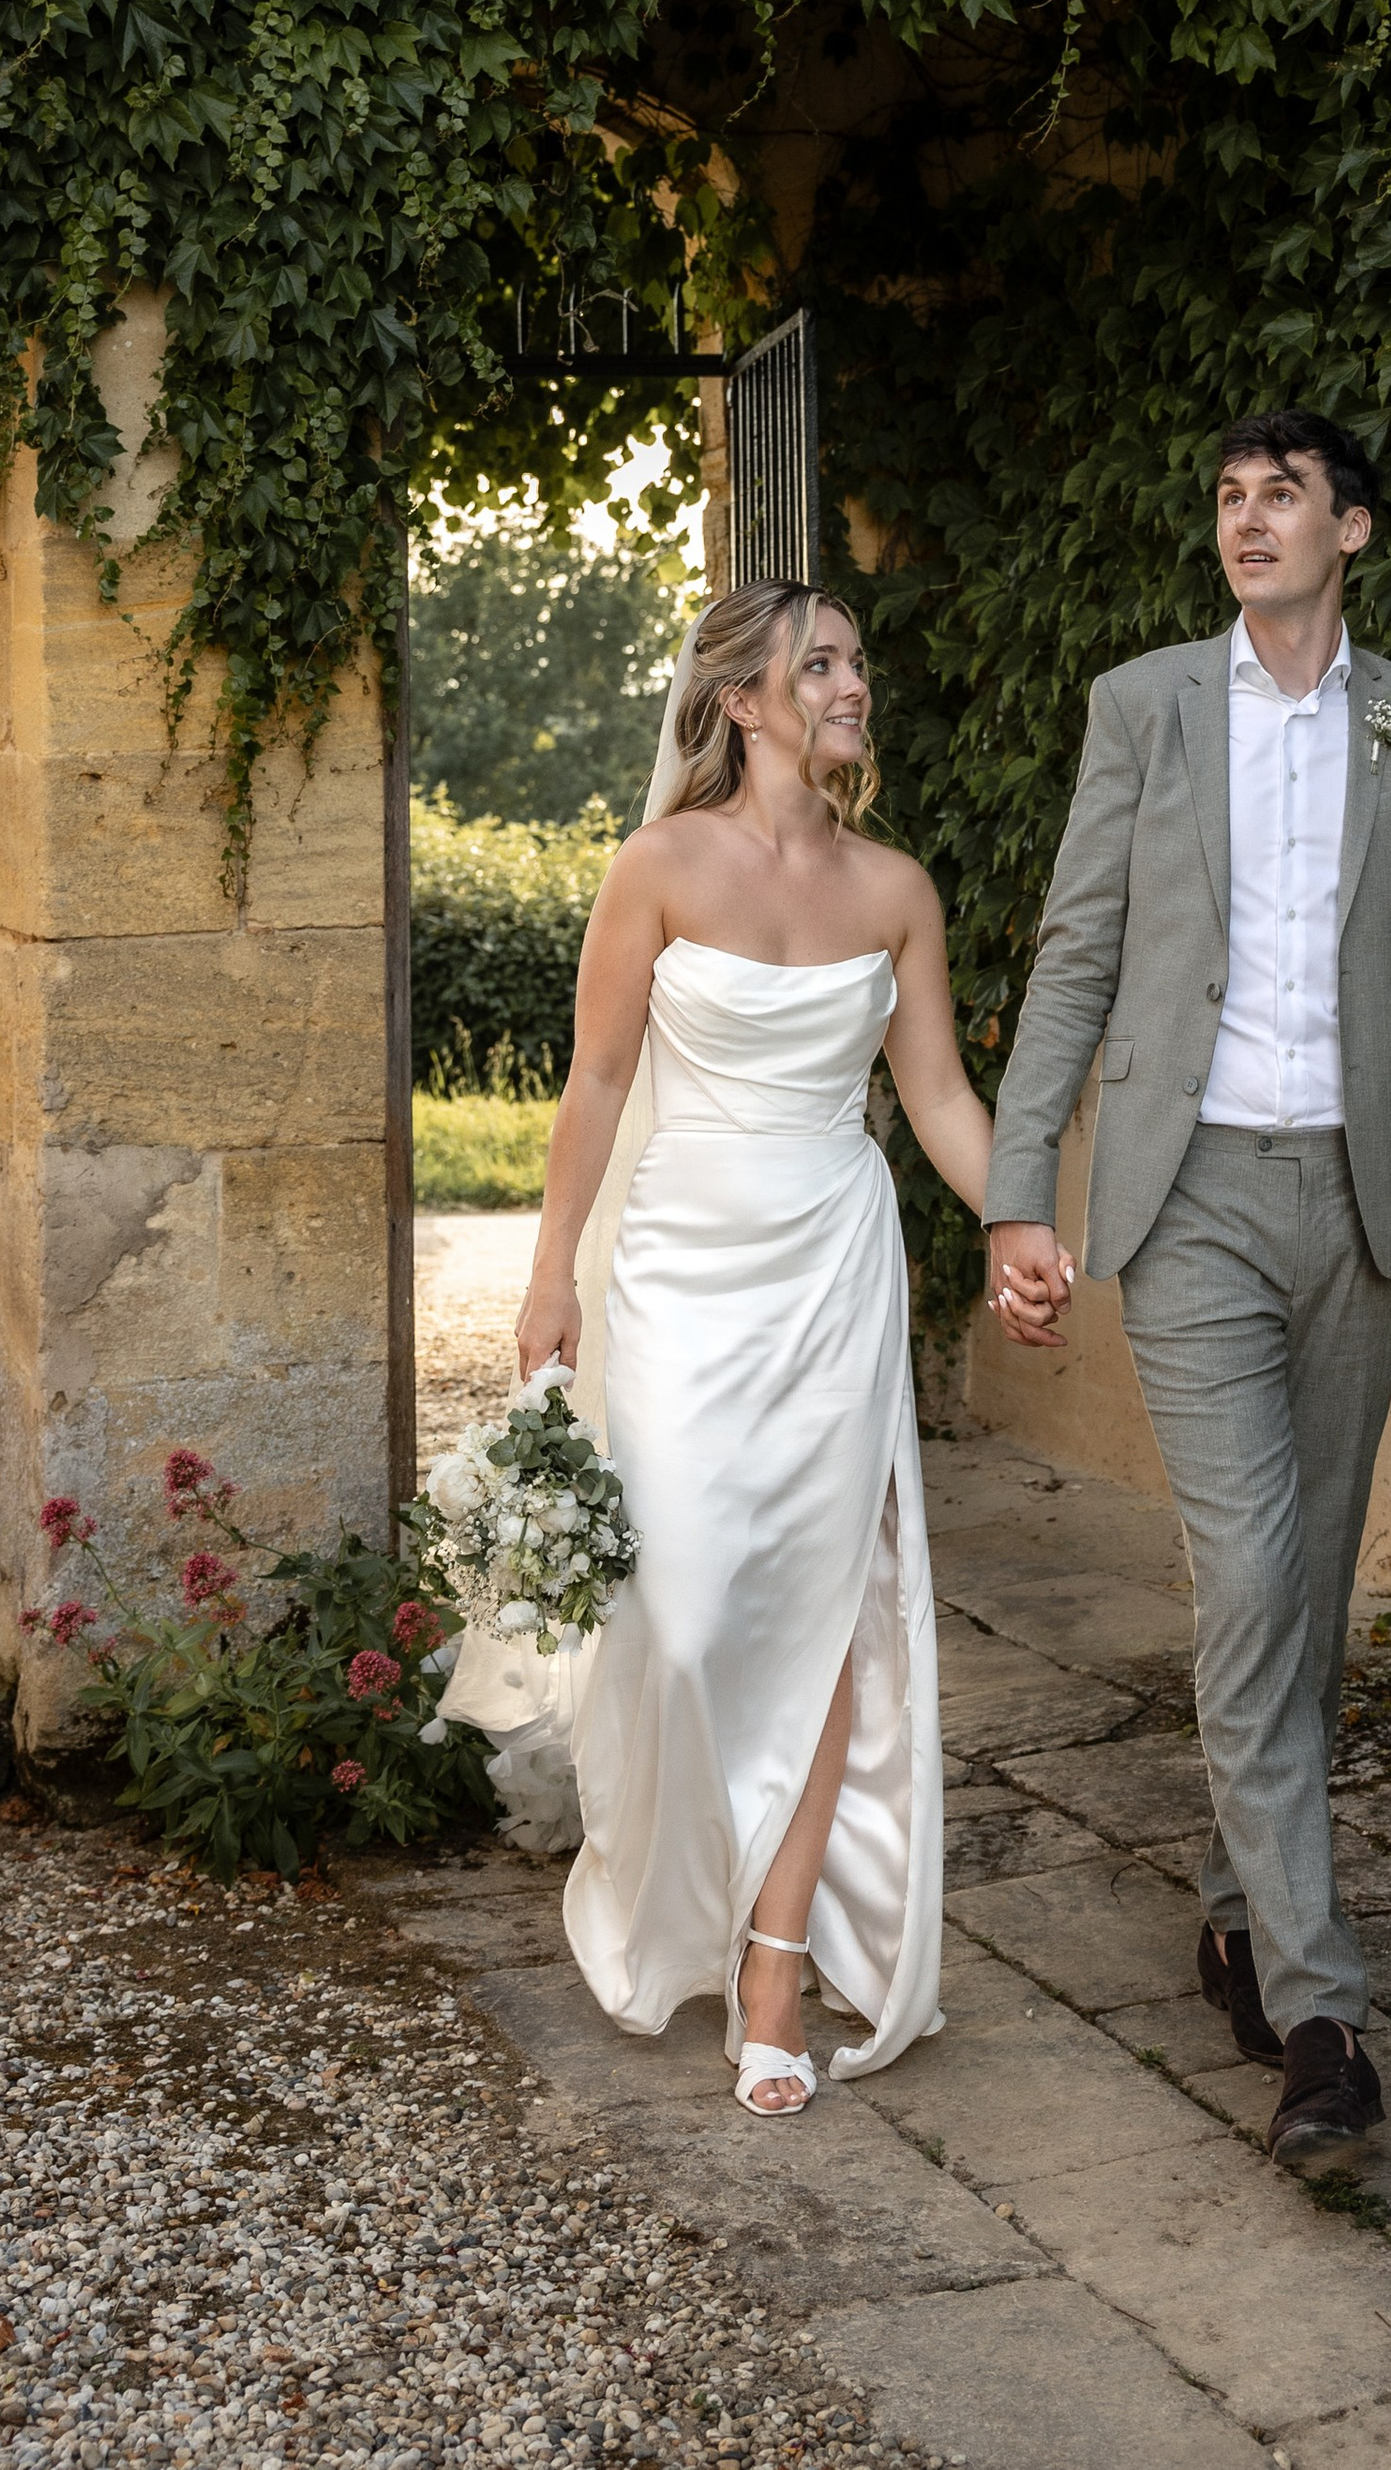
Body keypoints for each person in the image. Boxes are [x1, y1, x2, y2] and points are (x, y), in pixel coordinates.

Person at [982, 408, 1391, 2162]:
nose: (1246, 520)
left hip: (1355, 1210)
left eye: (1280, 495)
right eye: (1225, 495)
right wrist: (1015, 1195)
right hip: (1190, 1198)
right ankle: (1321, 2016)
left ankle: (1229, 1903)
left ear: (1351, 530)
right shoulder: (1145, 706)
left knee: (1308, 1601)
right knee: (1248, 1586)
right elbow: (1077, 951)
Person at [513, 582, 991, 2116]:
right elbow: (595, 1086)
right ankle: (672, 1882)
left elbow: (939, 1103)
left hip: (834, 1268)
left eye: (858, 659)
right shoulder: (655, 868)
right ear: (743, 699)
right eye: (823, 663)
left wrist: (1037, 1224)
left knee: (825, 1596)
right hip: (675, 1271)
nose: (854, 683)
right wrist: (549, 1279)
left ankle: (776, 1968)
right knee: (692, 1608)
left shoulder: (897, 889)